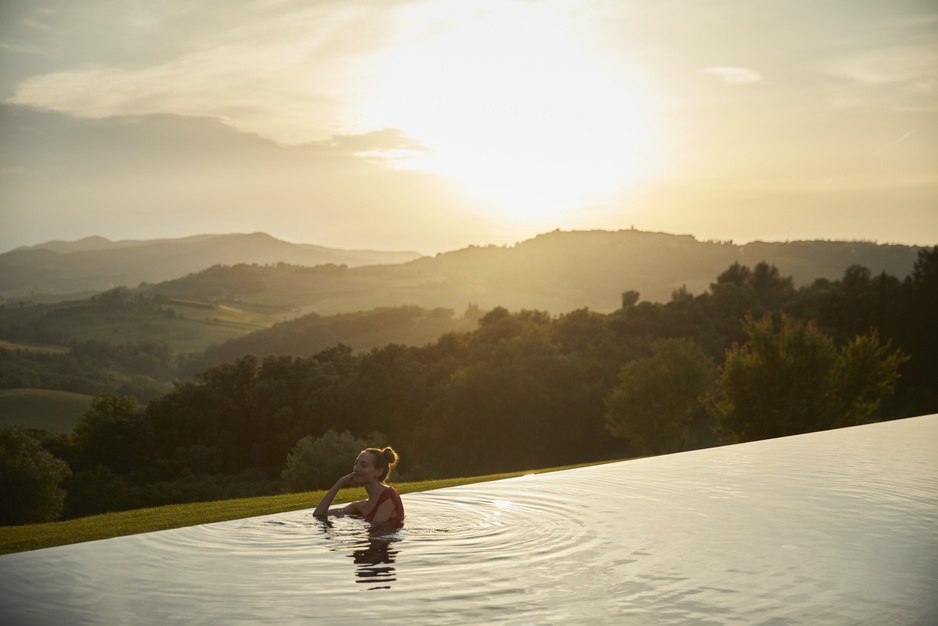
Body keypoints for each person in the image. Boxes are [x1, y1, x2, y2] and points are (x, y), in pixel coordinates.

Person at [313, 446, 405, 525]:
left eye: (363, 465)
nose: (356, 468)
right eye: (356, 464)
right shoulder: (360, 506)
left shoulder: (389, 495)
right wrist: (341, 482)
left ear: (379, 472)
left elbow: (377, 534)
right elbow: (318, 514)